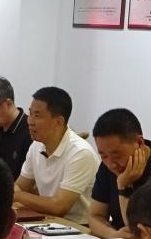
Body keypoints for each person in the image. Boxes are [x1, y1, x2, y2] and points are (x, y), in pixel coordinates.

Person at [88, 108, 151, 239]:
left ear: (139, 142)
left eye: (116, 155)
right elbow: (95, 216)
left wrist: (123, 186)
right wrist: (113, 235)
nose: (111, 164)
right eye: (103, 156)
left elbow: (141, 236)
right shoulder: (109, 166)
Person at [14, 86, 98, 224]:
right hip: (47, 221)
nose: (29, 121)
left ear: (58, 122)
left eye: (37, 116)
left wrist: (18, 196)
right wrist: (16, 194)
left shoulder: (81, 153)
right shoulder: (36, 146)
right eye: (30, 114)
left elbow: (59, 207)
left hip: (79, 227)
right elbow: (20, 186)